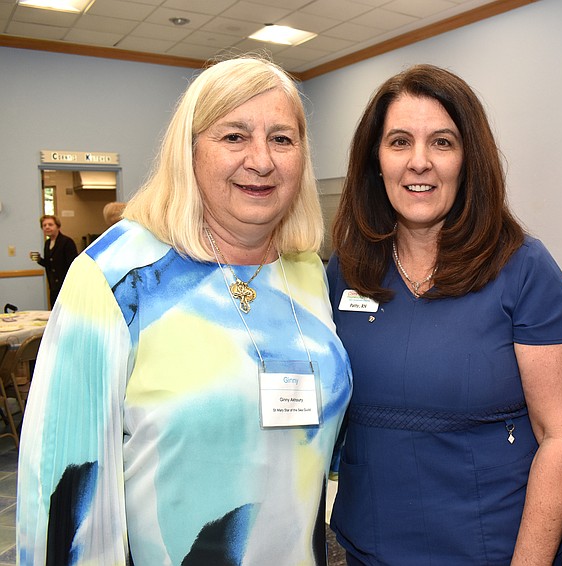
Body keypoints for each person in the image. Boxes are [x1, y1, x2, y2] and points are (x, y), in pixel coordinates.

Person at [17, 57, 352, 565]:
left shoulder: (304, 269)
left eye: (282, 139)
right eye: (233, 136)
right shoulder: (114, 278)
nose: (261, 160)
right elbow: (61, 489)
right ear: (188, 150)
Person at [327, 64, 562, 565]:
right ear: (375, 161)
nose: (418, 162)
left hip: (488, 551)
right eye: (399, 142)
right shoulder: (348, 269)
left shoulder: (524, 270)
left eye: (442, 143)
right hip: (366, 547)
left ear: (470, 159)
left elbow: (561, 438)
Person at [31, 214, 77, 307]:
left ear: (58, 226)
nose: (47, 227)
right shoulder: (47, 243)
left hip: (66, 287)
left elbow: (73, 265)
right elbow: (49, 264)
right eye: (44, 225)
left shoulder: (67, 242)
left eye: (50, 225)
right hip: (53, 288)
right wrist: (39, 259)